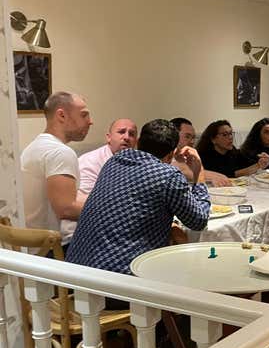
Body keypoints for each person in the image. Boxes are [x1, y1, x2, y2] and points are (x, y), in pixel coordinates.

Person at [66, 119, 210, 280]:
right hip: (118, 282)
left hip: (77, 273)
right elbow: (199, 221)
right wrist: (200, 172)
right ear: (170, 155)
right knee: (188, 271)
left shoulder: (113, 162)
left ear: (139, 141)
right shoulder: (168, 175)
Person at [20, 91, 92, 245]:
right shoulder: (60, 153)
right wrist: (111, 209)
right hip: (49, 252)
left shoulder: (34, 147)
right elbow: (66, 208)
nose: (90, 121)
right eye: (84, 115)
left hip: (30, 247)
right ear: (62, 116)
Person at [77, 119, 138, 197]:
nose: (127, 137)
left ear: (136, 142)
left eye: (132, 134)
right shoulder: (90, 161)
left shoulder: (139, 164)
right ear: (109, 137)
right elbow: (85, 199)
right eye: (121, 132)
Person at [169, 117, 231, 186]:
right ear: (173, 136)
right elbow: (183, 170)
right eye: (187, 136)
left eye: (193, 138)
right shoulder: (165, 155)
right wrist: (213, 176)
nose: (192, 142)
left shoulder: (186, 154)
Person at [195, 120, 268, 178]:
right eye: (225, 135)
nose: (230, 137)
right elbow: (229, 174)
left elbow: (246, 163)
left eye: (231, 134)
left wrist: (261, 161)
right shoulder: (204, 156)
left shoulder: (232, 151)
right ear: (213, 139)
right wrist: (257, 165)